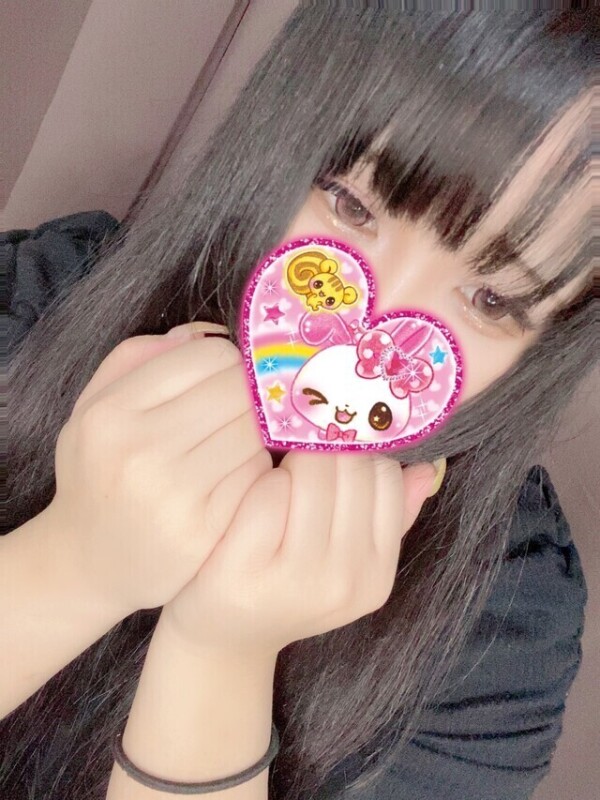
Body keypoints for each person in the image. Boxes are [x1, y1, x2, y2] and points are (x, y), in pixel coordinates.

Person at [2, 8, 597, 800]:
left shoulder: (504, 622)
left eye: (493, 299)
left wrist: (220, 655)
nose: (375, 323)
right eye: (351, 206)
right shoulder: (36, 308)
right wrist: (77, 562)